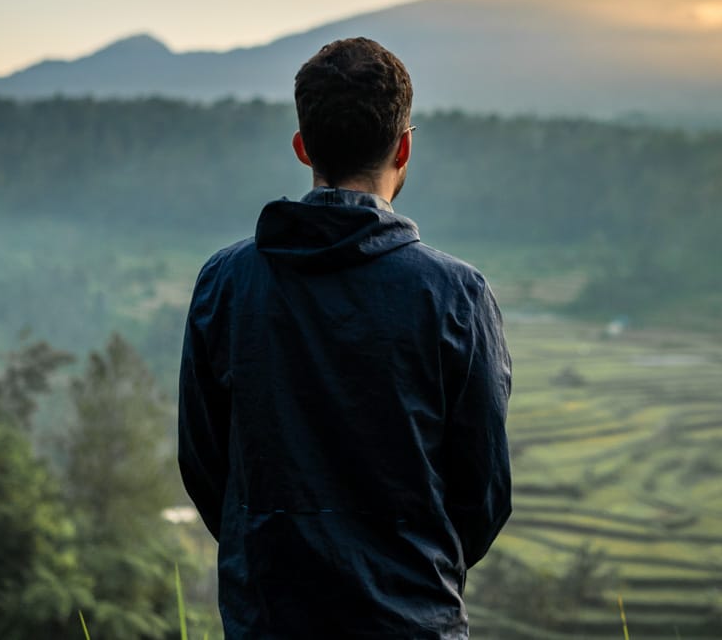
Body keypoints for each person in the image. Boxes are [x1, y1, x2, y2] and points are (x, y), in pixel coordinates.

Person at [178, 36, 512, 639]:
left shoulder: (227, 283)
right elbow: (482, 494)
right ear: (404, 146)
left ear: (303, 148)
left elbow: (205, 467)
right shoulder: (456, 296)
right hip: (414, 620)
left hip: (268, 621)